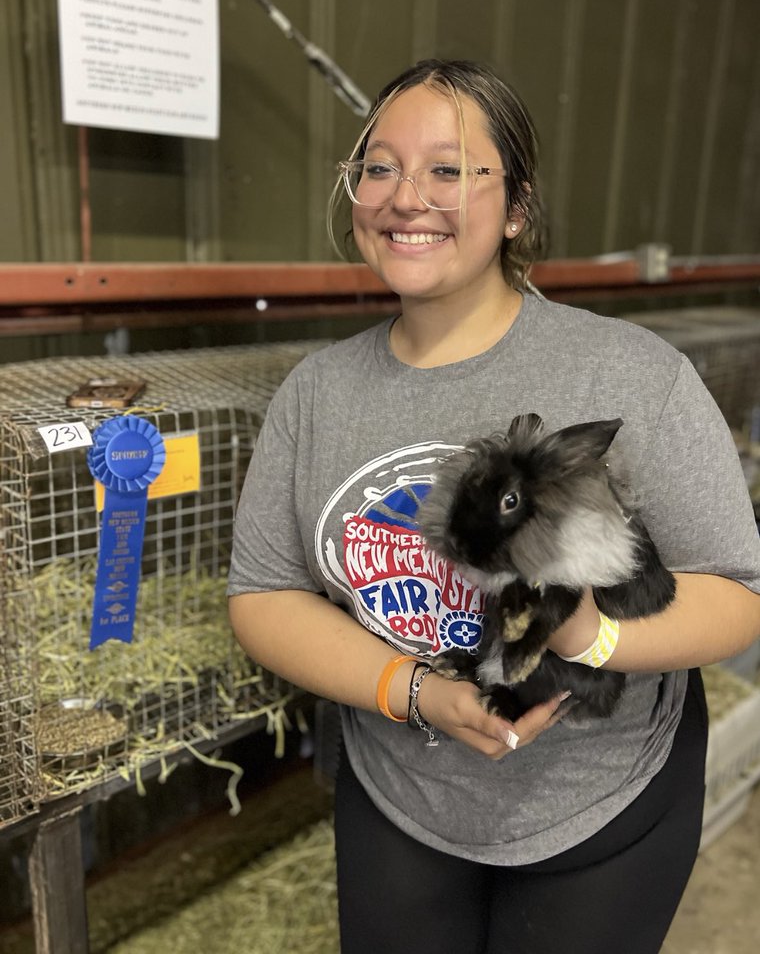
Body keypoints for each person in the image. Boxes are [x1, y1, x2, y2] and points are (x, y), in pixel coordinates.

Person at [227, 58, 760, 954]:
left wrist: (586, 634)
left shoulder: (631, 375)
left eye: (449, 169)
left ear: (515, 207)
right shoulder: (317, 394)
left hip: (595, 803)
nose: (406, 196)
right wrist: (415, 693)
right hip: (402, 788)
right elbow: (264, 594)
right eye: (379, 166)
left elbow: (738, 590)